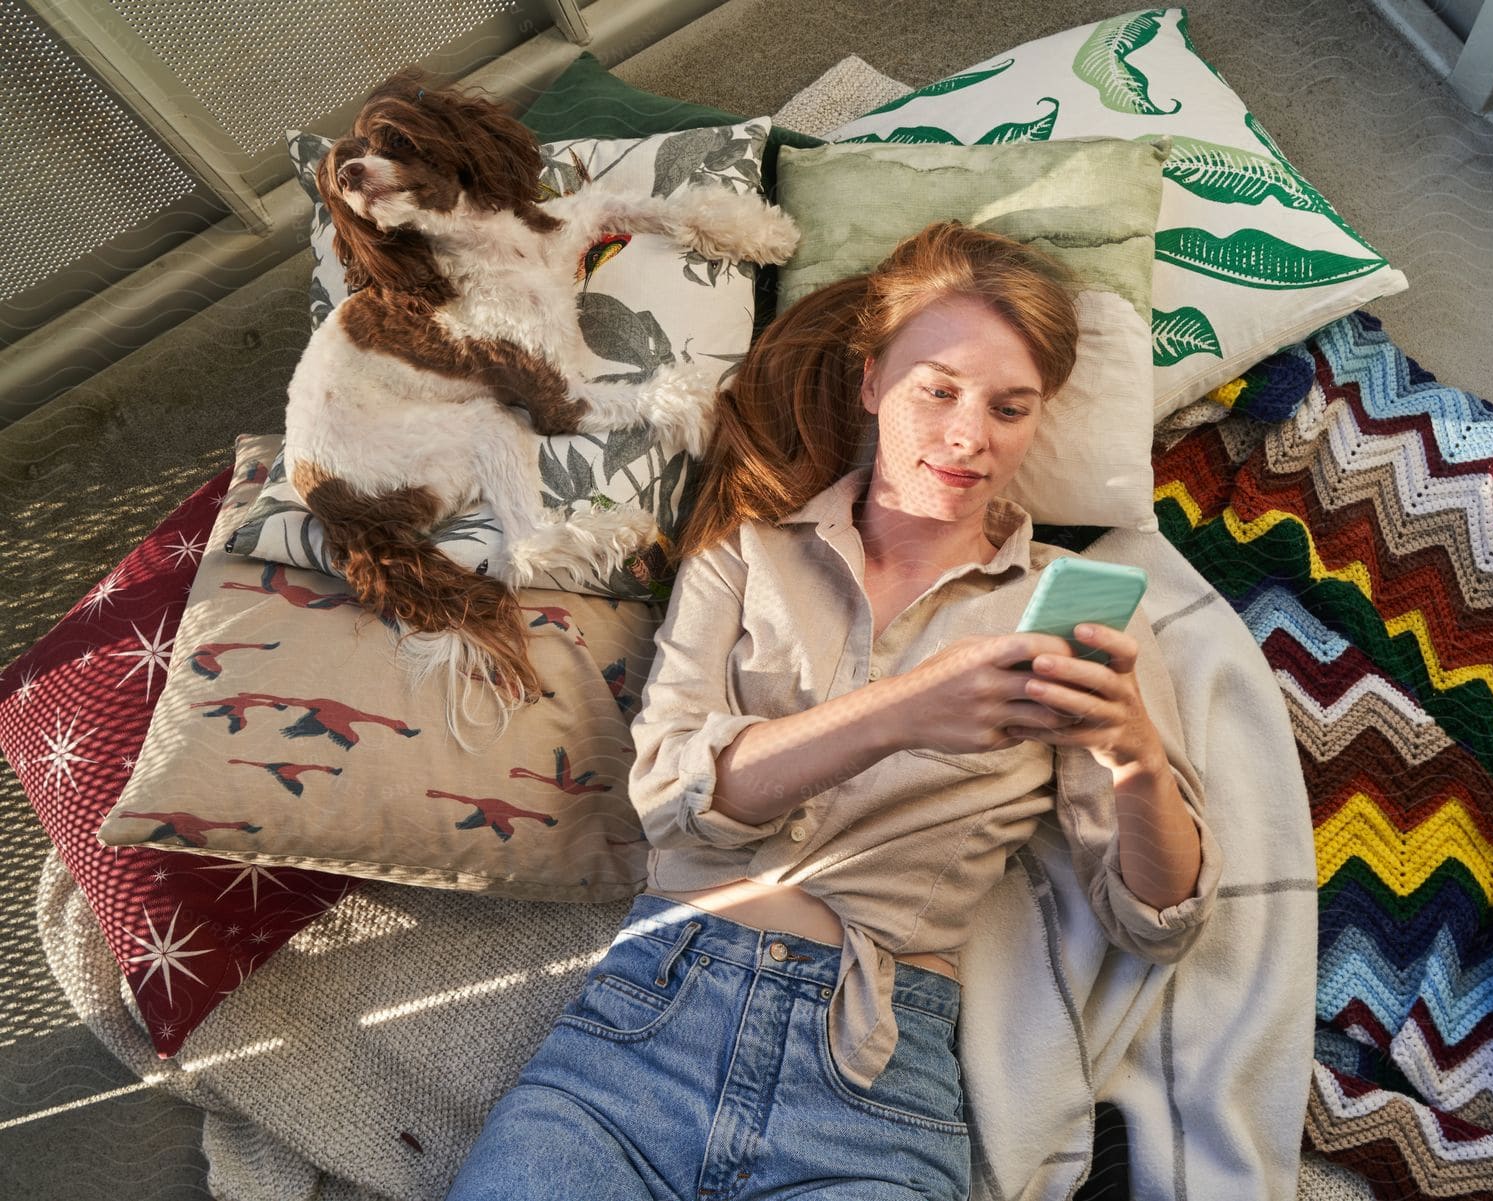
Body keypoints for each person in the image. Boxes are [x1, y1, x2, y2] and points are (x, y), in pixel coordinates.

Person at [445, 222, 1221, 1200]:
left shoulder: (1068, 607)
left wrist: (1137, 759)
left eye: (1010, 406)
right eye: (937, 389)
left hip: (872, 1081)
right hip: (641, 1039)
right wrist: (901, 711)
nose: (970, 434)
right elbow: (668, 795)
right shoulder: (746, 554)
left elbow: (1160, 924)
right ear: (870, 383)